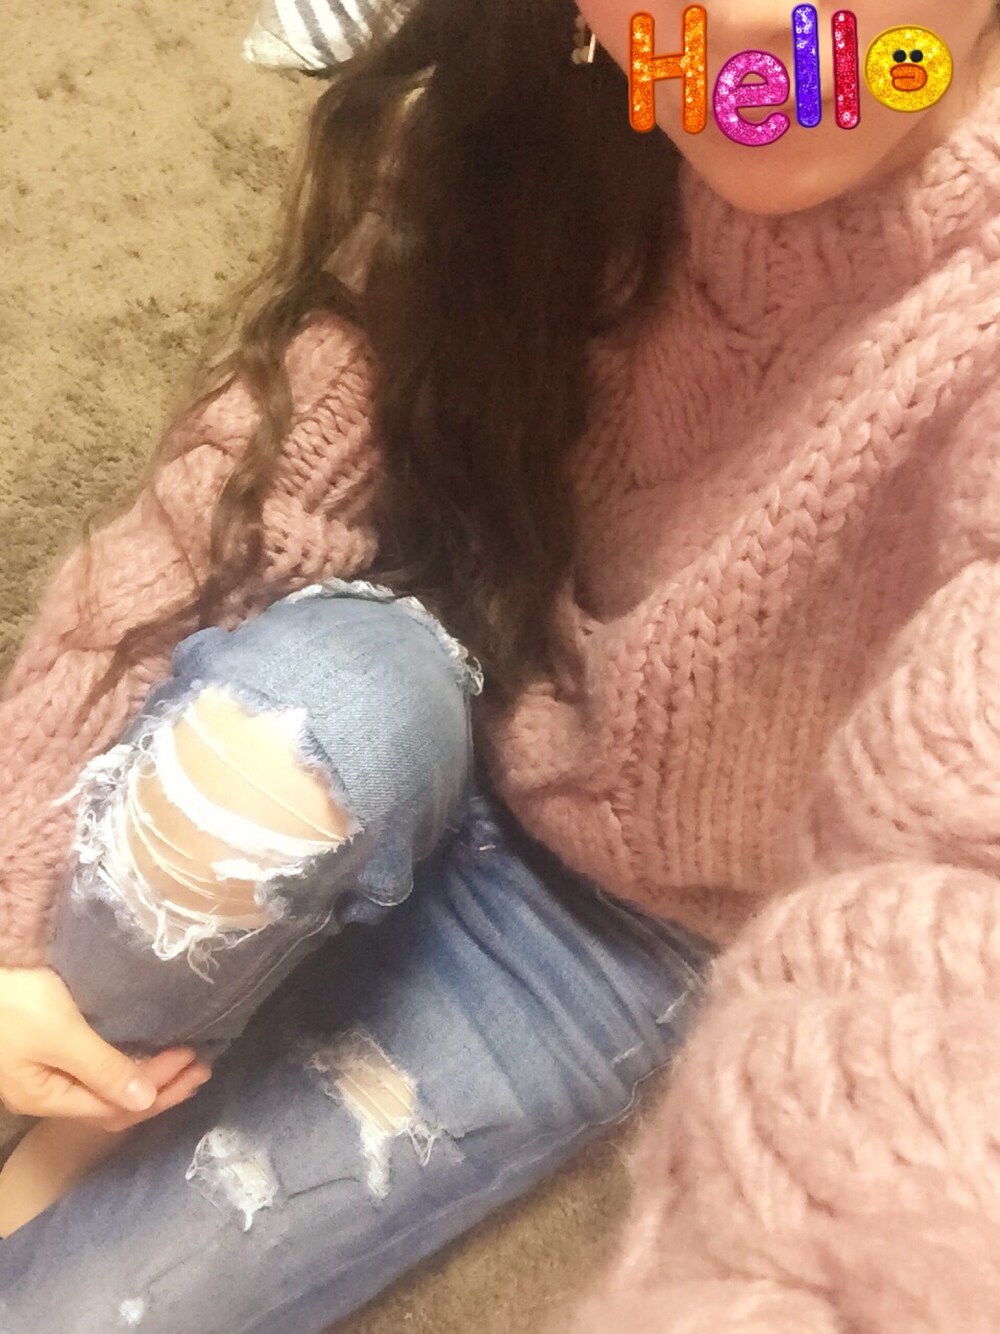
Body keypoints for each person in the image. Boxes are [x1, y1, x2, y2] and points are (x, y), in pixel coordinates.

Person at [0, 0, 998, 1328]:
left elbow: (956, 884)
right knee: (239, 782)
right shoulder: (563, 75)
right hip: (440, 648)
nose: (749, 30)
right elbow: (270, 466)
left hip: (629, 932)